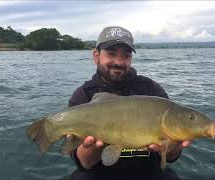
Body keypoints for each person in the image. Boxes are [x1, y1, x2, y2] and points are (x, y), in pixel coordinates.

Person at [66, 26, 190, 180]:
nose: (119, 62)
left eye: (126, 55)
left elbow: (172, 157)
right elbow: (83, 163)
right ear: (96, 56)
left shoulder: (151, 89)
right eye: (111, 54)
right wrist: (93, 149)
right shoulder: (83, 95)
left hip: (148, 172)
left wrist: (172, 147)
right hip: (100, 174)